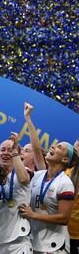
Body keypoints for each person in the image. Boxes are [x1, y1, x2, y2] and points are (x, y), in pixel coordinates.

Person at [19, 102, 77, 254]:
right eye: (56, 145)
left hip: (55, 246)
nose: (53, 147)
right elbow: (37, 148)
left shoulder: (65, 183)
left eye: (60, 148)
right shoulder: (38, 176)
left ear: (65, 160)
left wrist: (33, 215)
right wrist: (28, 119)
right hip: (35, 243)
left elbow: (64, 218)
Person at [0, 133, 32, 253]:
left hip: (18, 241)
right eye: (3, 150)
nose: (6, 153)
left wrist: (15, 151)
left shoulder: (23, 172)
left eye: (10, 150)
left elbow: (23, 179)